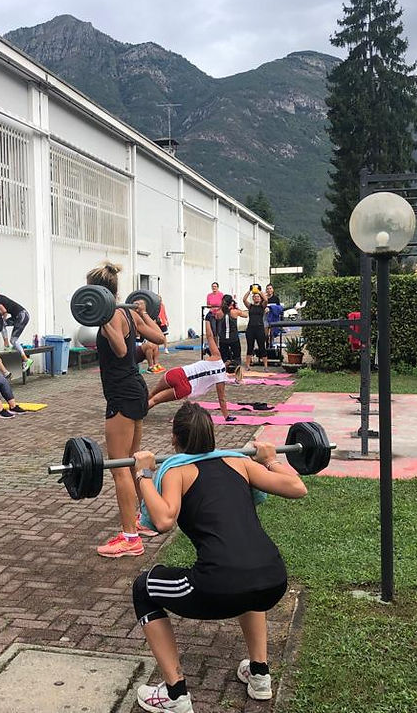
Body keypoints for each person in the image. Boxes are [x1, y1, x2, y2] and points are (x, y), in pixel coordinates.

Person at [130, 402, 307, 712]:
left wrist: (144, 474)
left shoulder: (176, 470)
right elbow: (297, 486)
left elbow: (164, 520)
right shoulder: (239, 463)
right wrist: (271, 460)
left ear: (175, 439)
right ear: (211, 435)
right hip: (273, 579)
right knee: (246, 580)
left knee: (143, 589)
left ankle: (175, 694)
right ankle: (259, 675)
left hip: (217, 586)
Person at [89, 261, 165, 559]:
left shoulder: (111, 315)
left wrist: (104, 320)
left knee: (119, 467)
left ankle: (130, 537)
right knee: (133, 462)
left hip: (122, 394)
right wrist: (143, 313)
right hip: (135, 389)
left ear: (95, 291)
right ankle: (138, 521)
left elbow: (121, 350)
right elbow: (159, 337)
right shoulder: (128, 313)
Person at [148, 318, 242, 421]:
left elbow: (209, 336)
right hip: (186, 387)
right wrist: (227, 417)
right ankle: (137, 415)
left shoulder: (217, 357)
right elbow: (222, 399)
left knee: (152, 394)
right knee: (156, 400)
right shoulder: (221, 379)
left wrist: (207, 320)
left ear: (228, 361)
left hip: (178, 373)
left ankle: (136, 409)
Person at [0, 287, 33, 374]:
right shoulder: (0, 297)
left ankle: (26, 360)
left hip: (21, 316)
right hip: (21, 315)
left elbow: (4, 311)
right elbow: (5, 311)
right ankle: (7, 346)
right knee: (2, 324)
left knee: (13, 340)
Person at [242, 286, 268, 368]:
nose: (256, 298)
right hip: (250, 329)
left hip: (260, 329)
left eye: (258, 297)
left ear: (260, 298)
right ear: (253, 298)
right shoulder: (250, 306)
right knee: (250, 347)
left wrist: (259, 291)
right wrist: (249, 291)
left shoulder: (262, 306)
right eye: (255, 297)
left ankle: (266, 366)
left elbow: (266, 300)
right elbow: (244, 300)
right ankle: (247, 365)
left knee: (262, 347)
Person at [215, 294, 246, 364]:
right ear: (231, 303)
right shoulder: (235, 311)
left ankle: (225, 368)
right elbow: (246, 315)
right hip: (234, 338)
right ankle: (236, 368)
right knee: (237, 358)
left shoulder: (219, 312)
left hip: (223, 338)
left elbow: (216, 318)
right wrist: (236, 308)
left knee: (224, 359)